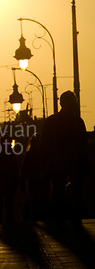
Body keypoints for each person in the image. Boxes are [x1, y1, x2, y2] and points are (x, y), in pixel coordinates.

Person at [40, 91, 89, 230]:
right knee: (75, 192)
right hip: (74, 163)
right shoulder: (78, 122)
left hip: (58, 163)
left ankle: (59, 220)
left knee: (58, 192)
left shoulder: (51, 121)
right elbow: (83, 146)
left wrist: (45, 166)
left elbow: (45, 145)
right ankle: (75, 219)